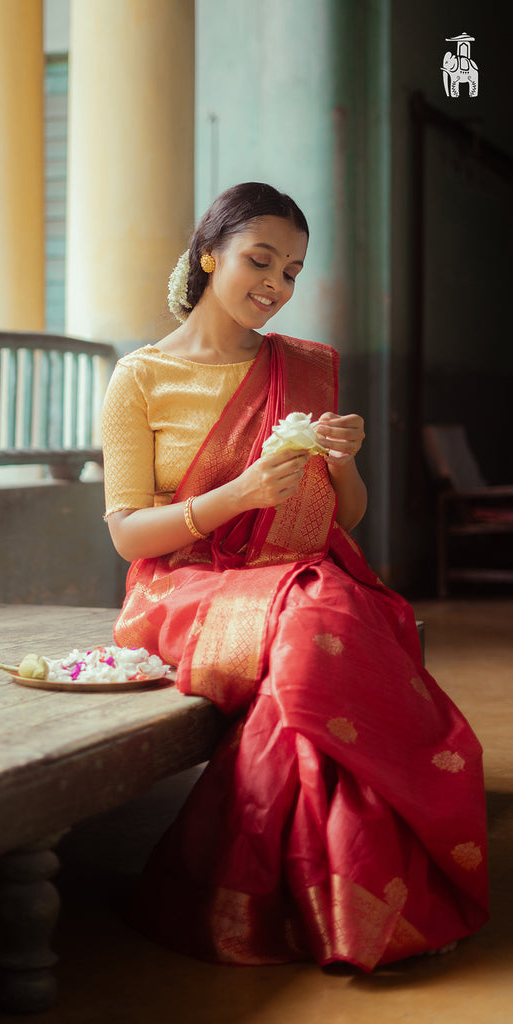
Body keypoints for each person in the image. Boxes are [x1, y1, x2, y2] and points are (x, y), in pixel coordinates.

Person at [100, 182, 488, 971]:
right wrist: (231, 498)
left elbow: (344, 517)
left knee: (317, 646)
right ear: (210, 254)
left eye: (294, 272)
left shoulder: (304, 371)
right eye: (261, 260)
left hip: (301, 574)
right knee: (317, 628)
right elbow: (125, 532)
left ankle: (331, 898)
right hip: (185, 584)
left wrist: (342, 465)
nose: (276, 286)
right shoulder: (139, 378)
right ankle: (347, 902)